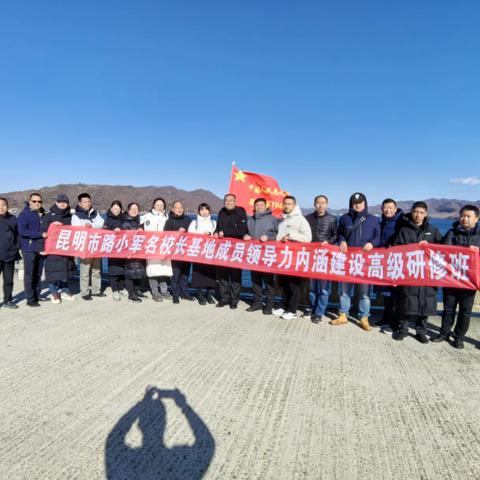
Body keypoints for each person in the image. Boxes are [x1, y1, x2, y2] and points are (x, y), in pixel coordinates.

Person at [392, 201, 442, 343]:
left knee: (425, 302)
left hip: (426, 272)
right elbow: (397, 249)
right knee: (406, 300)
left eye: (421, 212)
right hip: (410, 271)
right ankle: (403, 329)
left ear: (425, 214)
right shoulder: (404, 230)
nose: (418, 215)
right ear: (412, 212)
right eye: (416, 212)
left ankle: (421, 331)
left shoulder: (433, 230)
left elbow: (443, 247)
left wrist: (430, 246)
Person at [330, 192, 381, 331]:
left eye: (360, 202)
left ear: (365, 203)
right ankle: (342, 315)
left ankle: (364, 317)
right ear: (351, 204)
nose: (357, 205)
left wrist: (372, 243)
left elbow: (378, 237)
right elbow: (340, 233)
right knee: (345, 290)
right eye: (354, 203)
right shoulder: (345, 218)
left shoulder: (373, 220)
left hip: (365, 262)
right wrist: (342, 241)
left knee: (364, 292)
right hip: (348, 261)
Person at [432, 205, 480, 348]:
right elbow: (446, 251)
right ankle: (444, 333)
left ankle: (459, 337)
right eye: (462, 216)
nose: (464, 219)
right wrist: (466, 250)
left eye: (468, 216)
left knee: (465, 311)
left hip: (469, 281)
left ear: (476, 219)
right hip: (451, 279)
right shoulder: (452, 233)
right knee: (448, 308)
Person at [273, 196, 312, 320]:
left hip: (295, 257)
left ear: (294, 205)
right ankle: (285, 306)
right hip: (283, 257)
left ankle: (292, 309)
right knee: (283, 284)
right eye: (285, 204)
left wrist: (291, 236)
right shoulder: (282, 220)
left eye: (289, 204)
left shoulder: (300, 219)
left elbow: (307, 238)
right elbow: (278, 237)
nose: (286, 206)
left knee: (293, 284)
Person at [305, 195, 337, 323]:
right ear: (314, 204)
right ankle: (312, 308)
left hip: (325, 257)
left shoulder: (332, 219)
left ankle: (319, 312)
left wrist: (328, 242)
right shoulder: (307, 218)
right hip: (311, 256)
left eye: (323, 203)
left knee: (324, 288)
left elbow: (335, 235)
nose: (320, 205)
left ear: (327, 204)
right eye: (318, 203)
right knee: (312, 287)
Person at [243, 198, 278, 315]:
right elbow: (245, 232)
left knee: (268, 281)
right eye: (257, 205)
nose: (259, 207)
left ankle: (269, 305)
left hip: (268, 254)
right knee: (255, 280)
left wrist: (268, 236)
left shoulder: (273, 219)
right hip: (254, 254)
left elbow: (278, 234)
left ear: (265, 206)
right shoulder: (250, 219)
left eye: (261, 205)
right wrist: (245, 235)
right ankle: (257, 303)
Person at [214, 194, 248, 309]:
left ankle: (234, 300)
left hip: (236, 250)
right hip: (222, 249)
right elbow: (218, 227)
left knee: (235, 276)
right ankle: (224, 299)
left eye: (231, 200)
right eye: (226, 200)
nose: (228, 202)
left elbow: (242, 231)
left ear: (235, 201)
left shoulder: (241, 213)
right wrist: (216, 231)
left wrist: (225, 232)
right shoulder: (221, 212)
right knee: (222, 276)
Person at [41, 194, 76, 304]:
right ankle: (54, 292)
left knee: (66, 269)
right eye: (60, 201)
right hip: (52, 249)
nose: (62, 203)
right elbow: (43, 232)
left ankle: (65, 289)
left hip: (67, 249)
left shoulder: (70, 217)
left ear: (68, 204)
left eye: (65, 202)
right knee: (53, 270)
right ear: (56, 203)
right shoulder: (48, 216)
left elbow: (76, 232)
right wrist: (52, 226)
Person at [71, 193, 105, 301]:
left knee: (96, 270)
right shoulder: (76, 215)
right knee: (85, 271)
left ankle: (96, 290)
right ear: (80, 203)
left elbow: (102, 223)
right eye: (84, 202)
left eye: (88, 201)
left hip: (96, 245)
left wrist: (92, 226)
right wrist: (85, 227)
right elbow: (75, 229)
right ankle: (84, 292)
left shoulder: (95, 213)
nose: (87, 204)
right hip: (85, 247)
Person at [377, 198, 403, 330]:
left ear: (395, 208)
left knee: (396, 294)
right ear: (381, 209)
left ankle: (395, 322)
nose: (388, 210)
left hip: (396, 262)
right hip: (383, 262)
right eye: (385, 207)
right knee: (386, 294)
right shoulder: (381, 222)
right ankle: (386, 319)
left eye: (391, 207)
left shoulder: (401, 222)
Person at [17, 192, 46, 307]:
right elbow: (22, 231)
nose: (37, 203)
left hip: (40, 247)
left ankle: (37, 295)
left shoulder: (43, 214)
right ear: (29, 202)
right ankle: (30, 299)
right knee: (29, 274)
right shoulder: (24, 214)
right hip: (29, 248)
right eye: (34, 201)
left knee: (38, 273)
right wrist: (40, 234)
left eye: (39, 201)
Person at [141, 197, 172, 301]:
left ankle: (164, 291)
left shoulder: (167, 217)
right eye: (157, 204)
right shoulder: (146, 216)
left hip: (164, 247)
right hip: (151, 246)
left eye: (162, 205)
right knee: (153, 269)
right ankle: (155, 292)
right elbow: (136, 223)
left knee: (164, 270)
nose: (159, 207)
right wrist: (140, 229)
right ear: (153, 205)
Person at [164, 201, 195, 303]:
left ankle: (185, 293)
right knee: (175, 276)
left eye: (181, 207)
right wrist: (177, 232)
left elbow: (194, 233)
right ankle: (175, 295)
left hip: (186, 251)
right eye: (177, 208)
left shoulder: (188, 219)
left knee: (185, 275)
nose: (179, 209)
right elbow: (166, 236)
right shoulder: (169, 221)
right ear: (173, 209)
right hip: (175, 253)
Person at [188, 203, 217, 305]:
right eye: (202, 209)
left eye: (206, 209)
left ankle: (209, 295)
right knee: (198, 274)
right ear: (199, 211)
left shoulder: (213, 223)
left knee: (211, 274)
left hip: (210, 253)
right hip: (198, 253)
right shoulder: (194, 223)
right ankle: (200, 295)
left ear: (209, 211)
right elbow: (190, 237)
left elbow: (217, 237)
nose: (204, 211)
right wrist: (201, 235)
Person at [121, 203, 146, 303]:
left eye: (136, 209)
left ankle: (137, 291)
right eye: (132, 209)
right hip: (130, 251)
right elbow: (125, 238)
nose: (134, 211)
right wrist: (137, 231)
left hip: (139, 250)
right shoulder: (125, 222)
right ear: (128, 210)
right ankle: (131, 295)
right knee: (130, 273)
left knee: (139, 272)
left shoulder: (140, 221)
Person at [104, 200, 126, 301]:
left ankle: (121, 288)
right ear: (111, 209)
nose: (116, 210)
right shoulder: (108, 220)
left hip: (123, 248)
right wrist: (113, 232)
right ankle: (115, 290)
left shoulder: (124, 219)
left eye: (118, 209)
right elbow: (104, 234)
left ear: (121, 209)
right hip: (112, 248)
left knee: (122, 268)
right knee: (113, 269)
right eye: (114, 208)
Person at [0, 197, 20, 309]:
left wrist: (16, 248)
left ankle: (7, 300)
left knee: (8, 281)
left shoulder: (13, 219)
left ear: (7, 206)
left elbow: (18, 235)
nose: (1, 207)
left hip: (10, 255)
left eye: (4, 205)